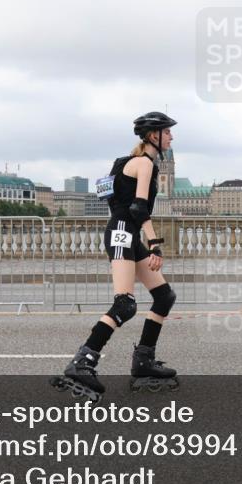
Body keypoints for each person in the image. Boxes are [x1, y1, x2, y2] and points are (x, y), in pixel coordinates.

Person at [54, 112, 179, 401]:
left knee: (164, 297)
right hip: (124, 232)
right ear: (153, 136)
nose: (172, 137)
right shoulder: (145, 163)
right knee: (125, 305)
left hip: (126, 233)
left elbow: (114, 198)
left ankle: (144, 360)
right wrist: (156, 245)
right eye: (167, 132)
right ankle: (83, 362)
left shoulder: (123, 162)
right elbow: (138, 209)